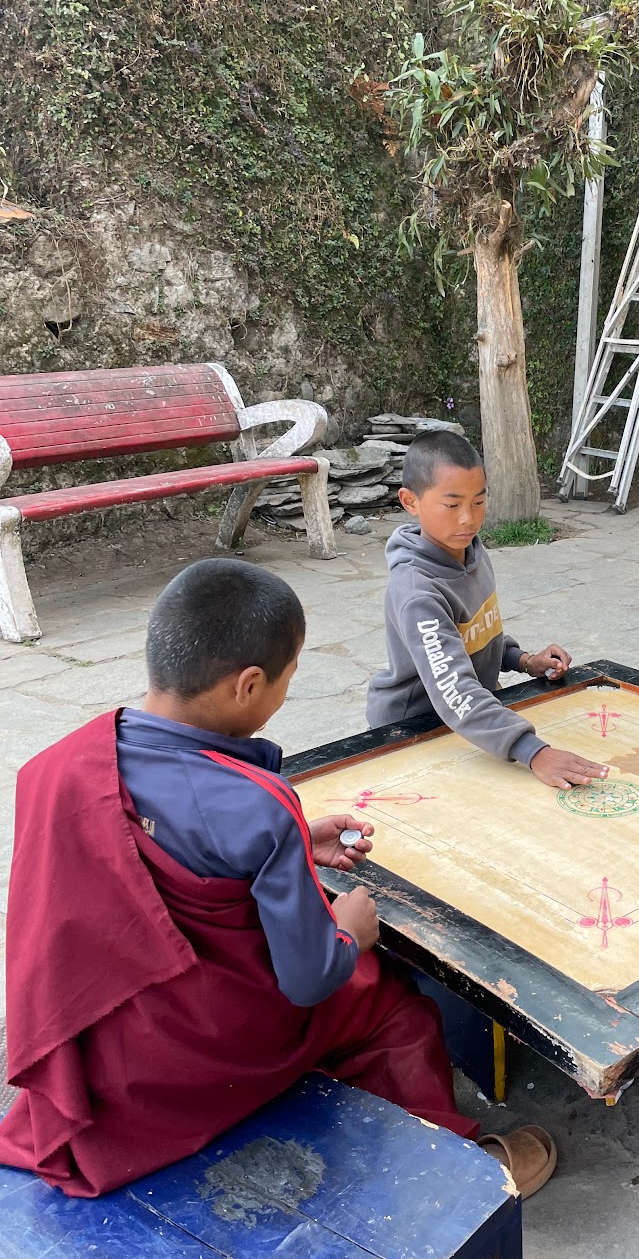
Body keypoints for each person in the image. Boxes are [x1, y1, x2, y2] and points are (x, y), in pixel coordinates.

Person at [0, 559, 555, 1198]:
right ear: (250, 685)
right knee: (389, 999)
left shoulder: (57, 764)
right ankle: (457, 1176)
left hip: (99, 1033)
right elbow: (309, 978)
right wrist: (352, 936)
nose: (288, 690)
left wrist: (289, 844)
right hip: (197, 1051)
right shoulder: (258, 804)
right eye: (290, 678)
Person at [367, 430, 607, 790]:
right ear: (410, 501)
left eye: (478, 502)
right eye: (452, 505)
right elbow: (455, 691)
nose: (468, 518)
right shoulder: (417, 591)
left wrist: (523, 660)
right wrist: (534, 752)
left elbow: (478, 633)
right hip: (415, 727)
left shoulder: (472, 553)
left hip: (473, 718)